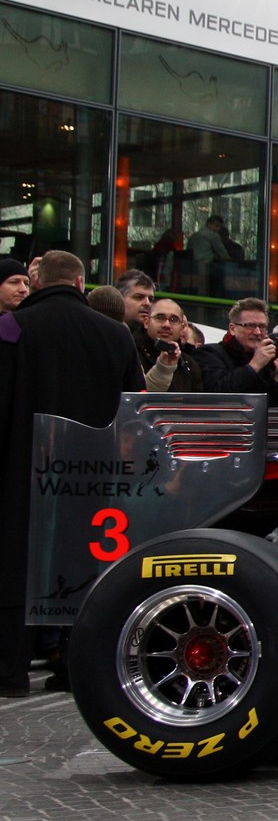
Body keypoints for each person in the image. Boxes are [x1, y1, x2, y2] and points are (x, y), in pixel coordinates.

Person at [0, 251, 145, 694]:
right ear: (81, 282)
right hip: (93, 474)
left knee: (16, 566)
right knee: (84, 568)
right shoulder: (116, 334)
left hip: (23, 468)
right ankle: (73, 666)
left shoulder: (12, 327)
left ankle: (10, 670)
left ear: (37, 280)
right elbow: (136, 406)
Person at [195, 298, 278, 397]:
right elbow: (217, 394)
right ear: (232, 329)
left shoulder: (269, 361)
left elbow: (277, 405)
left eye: (262, 326)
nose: (257, 332)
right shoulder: (209, 353)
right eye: (250, 325)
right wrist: (254, 365)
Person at [140, 299, 203, 392]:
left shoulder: (189, 365)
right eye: (160, 317)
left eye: (174, 320)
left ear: (182, 328)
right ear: (146, 322)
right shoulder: (131, 354)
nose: (166, 325)